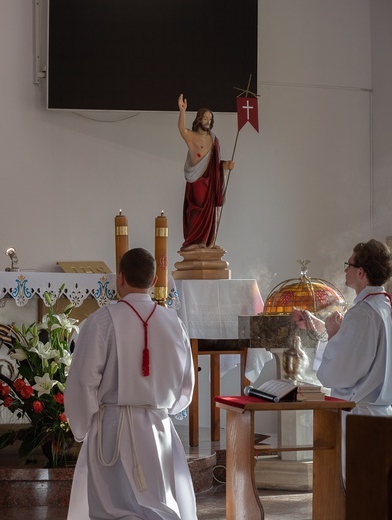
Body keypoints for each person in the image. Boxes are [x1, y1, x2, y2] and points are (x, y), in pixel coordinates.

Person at [65, 248, 197, 519]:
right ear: (153, 281)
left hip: (111, 430)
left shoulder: (101, 321)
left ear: (120, 278)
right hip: (158, 429)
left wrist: (82, 427)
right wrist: (165, 409)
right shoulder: (174, 322)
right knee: (159, 504)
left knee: (113, 509)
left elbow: (82, 380)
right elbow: (187, 383)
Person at [292, 239, 392, 487]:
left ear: (361, 272)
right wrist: (320, 326)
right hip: (382, 412)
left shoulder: (363, 312)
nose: (345, 270)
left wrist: (332, 334)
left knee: (363, 491)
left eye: (349, 265)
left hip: (359, 419)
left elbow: (340, 373)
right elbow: (361, 352)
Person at [177, 94, 234, 250]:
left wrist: (225, 165)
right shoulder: (192, 137)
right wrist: (182, 111)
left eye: (210, 119)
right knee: (196, 210)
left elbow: (216, 163)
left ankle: (208, 241)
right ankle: (193, 242)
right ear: (198, 119)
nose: (208, 122)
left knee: (210, 213)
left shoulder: (214, 139)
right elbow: (181, 129)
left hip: (210, 182)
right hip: (196, 181)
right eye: (205, 119)